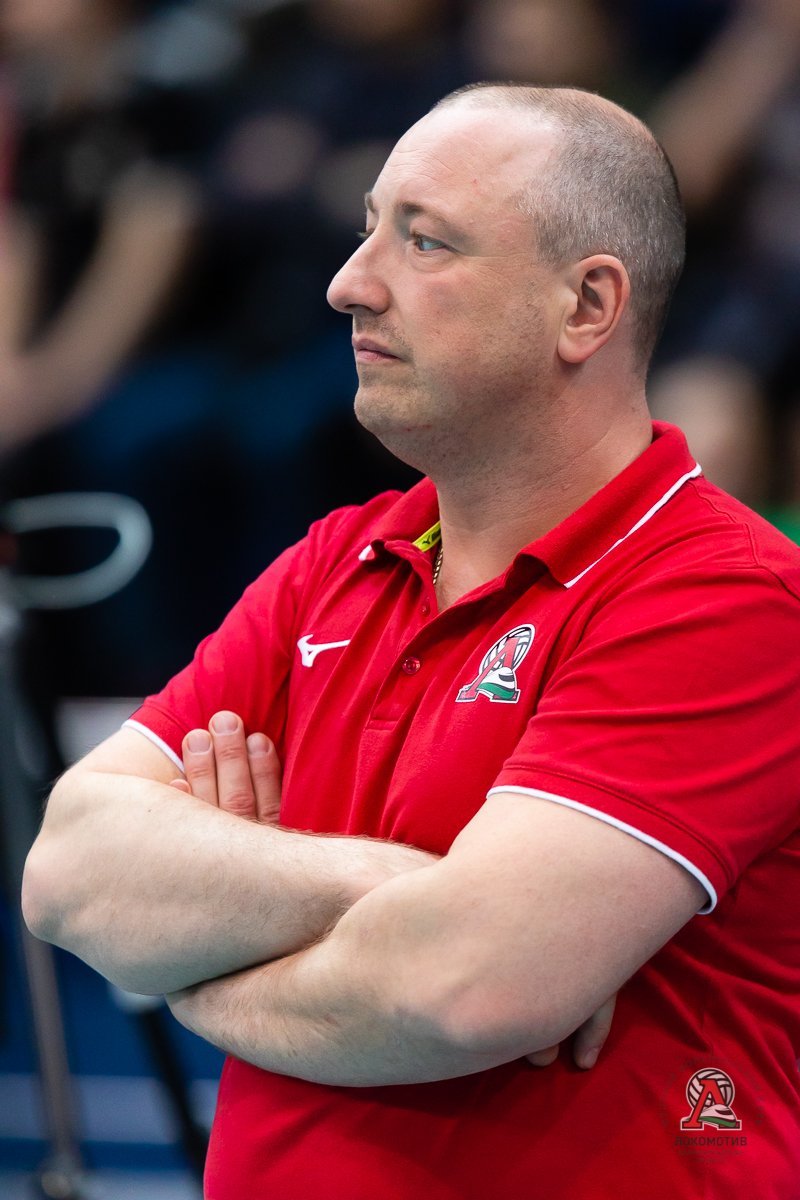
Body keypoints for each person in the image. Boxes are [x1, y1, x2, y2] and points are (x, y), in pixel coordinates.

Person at [21, 84, 800, 1198]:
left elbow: (463, 989)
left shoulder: (724, 596)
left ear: (586, 305)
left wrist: (200, 961)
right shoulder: (336, 559)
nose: (350, 283)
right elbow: (68, 872)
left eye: (424, 241)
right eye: (366, 228)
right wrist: (400, 888)